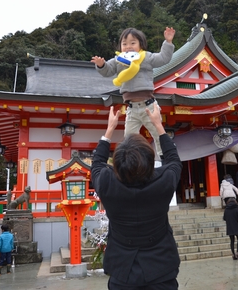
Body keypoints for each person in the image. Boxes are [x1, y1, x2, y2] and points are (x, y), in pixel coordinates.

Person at [90, 105, 183, 289]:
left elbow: (97, 163)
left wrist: (110, 129)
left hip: (122, 273)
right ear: (150, 162)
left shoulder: (108, 184)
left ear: (116, 163)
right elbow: (173, 160)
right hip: (161, 269)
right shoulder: (164, 182)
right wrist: (158, 125)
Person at [91, 27, 176, 158]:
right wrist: (101, 65)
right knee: (128, 139)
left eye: (132, 43)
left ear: (140, 44)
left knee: (158, 134)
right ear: (120, 46)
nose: (128, 46)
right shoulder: (118, 60)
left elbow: (163, 58)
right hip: (131, 109)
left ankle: (165, 158)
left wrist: (168, 42)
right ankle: (130, 162)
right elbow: (107, 71)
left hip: (148, 106)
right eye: (124, 44)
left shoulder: (146, 57)